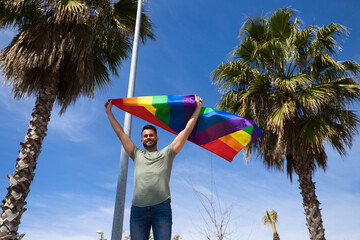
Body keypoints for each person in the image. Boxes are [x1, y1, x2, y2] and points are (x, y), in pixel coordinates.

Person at [105, 95, 203, 240]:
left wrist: (198, 109)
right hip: (138, 209)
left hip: (161, 208)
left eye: (151, 135)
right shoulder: (136, 154)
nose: (148, 137)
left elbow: (186, 131)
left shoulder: (167, 153)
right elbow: (121, 133)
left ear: (157, 138)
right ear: (141, 140)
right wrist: (109, 113)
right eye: (145, 136)